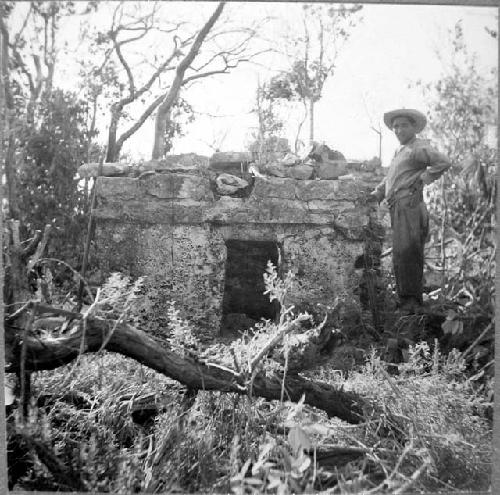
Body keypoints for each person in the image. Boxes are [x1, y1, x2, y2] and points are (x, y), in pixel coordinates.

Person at [369, 108, 451, 314]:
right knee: (400, 253)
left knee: (408, 253)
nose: (398, 129)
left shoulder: (418, 147)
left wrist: (424, 178)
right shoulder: (400, 151)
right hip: (398, 206)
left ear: (413, 127)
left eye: (404, 125)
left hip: (410, 206)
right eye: (395, 126)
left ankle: (411, 304)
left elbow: (443, 162)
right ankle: (406, 299)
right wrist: (377, 194)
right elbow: (391, 178)